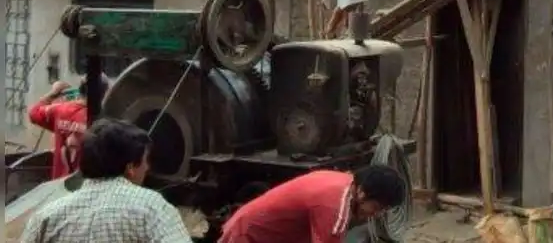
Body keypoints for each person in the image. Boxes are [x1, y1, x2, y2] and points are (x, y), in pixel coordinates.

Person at [20, 118, 191, 243]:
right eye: (146, 160)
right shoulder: (152, 208)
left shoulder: (46, 216)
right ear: (130, 167)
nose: (147, 167)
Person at [219, 165, 407, 243]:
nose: (374, 215)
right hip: (250, 237)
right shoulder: (335, 206)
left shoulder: (343, 182)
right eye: (376, 207)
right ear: (362, 192)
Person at [28, 75, 108, 180]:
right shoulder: (102, 119)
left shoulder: (59, 110)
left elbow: (34, 114)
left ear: (80, 89)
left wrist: (53, 93)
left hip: (59, 184)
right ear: (102, 94)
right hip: (85, 185)